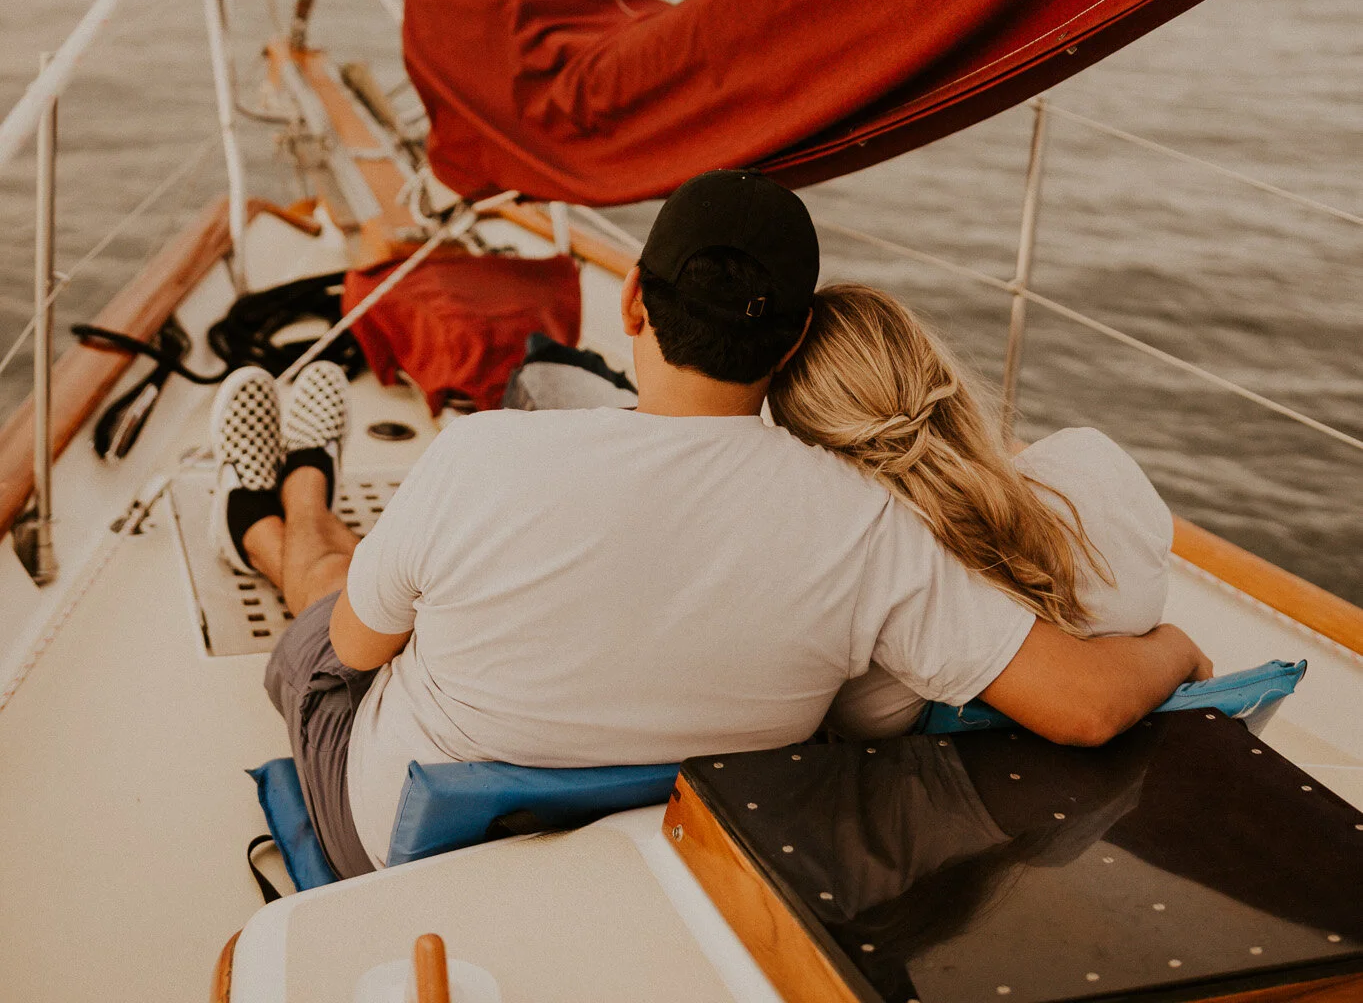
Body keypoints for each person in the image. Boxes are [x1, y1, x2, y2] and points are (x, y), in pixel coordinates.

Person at [210, 169, 1210, 879]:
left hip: (407, 841)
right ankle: (290, 492)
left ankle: (280, 505)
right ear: (794, 342)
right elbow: (1084, 706)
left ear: (633, 308)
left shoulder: (486, 455)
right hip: (680, 838)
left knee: (329, 622)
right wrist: (1175, 647)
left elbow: (354, 648)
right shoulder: (865, 523)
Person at [765, 282, 1175, 738]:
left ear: (807, 435)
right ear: (933, 365)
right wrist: (1178, 648)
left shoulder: (877, 558)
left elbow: (1084, 709)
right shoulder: (1092, 470)